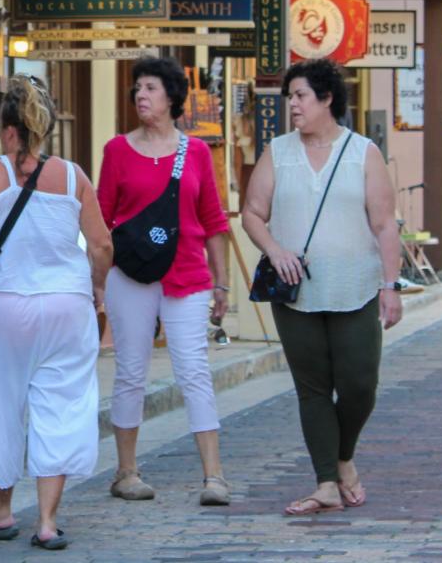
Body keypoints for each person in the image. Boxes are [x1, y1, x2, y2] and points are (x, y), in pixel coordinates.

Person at [0, 76, 112, 551]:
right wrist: (97, 290)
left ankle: (0, 511)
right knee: (62, 406)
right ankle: (47, 521)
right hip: (68, 308)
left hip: (9, 307)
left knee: (4, 407)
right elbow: (101, 244)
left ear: (9, 131)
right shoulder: (74, 177)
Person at [240, 58, 403, 516]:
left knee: (359, 385)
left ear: (327, 99)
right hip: (296, 294)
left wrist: (391, 286)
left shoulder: (362, 152)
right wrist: (275, 250)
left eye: (300, 96)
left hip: (356, 287)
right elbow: (252, 213)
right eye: (289, 97)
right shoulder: (278, 152)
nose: (292, 105)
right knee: (312, 389)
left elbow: (385, 223)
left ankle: (343, 456)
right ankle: (326, 482)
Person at [98, 55, 232, 507]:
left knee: (193, 370)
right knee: (131, 371)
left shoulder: (194, 152)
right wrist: (96, 282)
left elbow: (213, 220)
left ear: (172, 97)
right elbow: (101, 219)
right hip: (131, 275)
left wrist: (223, 283)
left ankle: (214, 476)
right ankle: (126, 471)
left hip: (188, 276)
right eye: (138, 87)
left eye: (151, 87)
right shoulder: (116, 150)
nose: (141, 95)